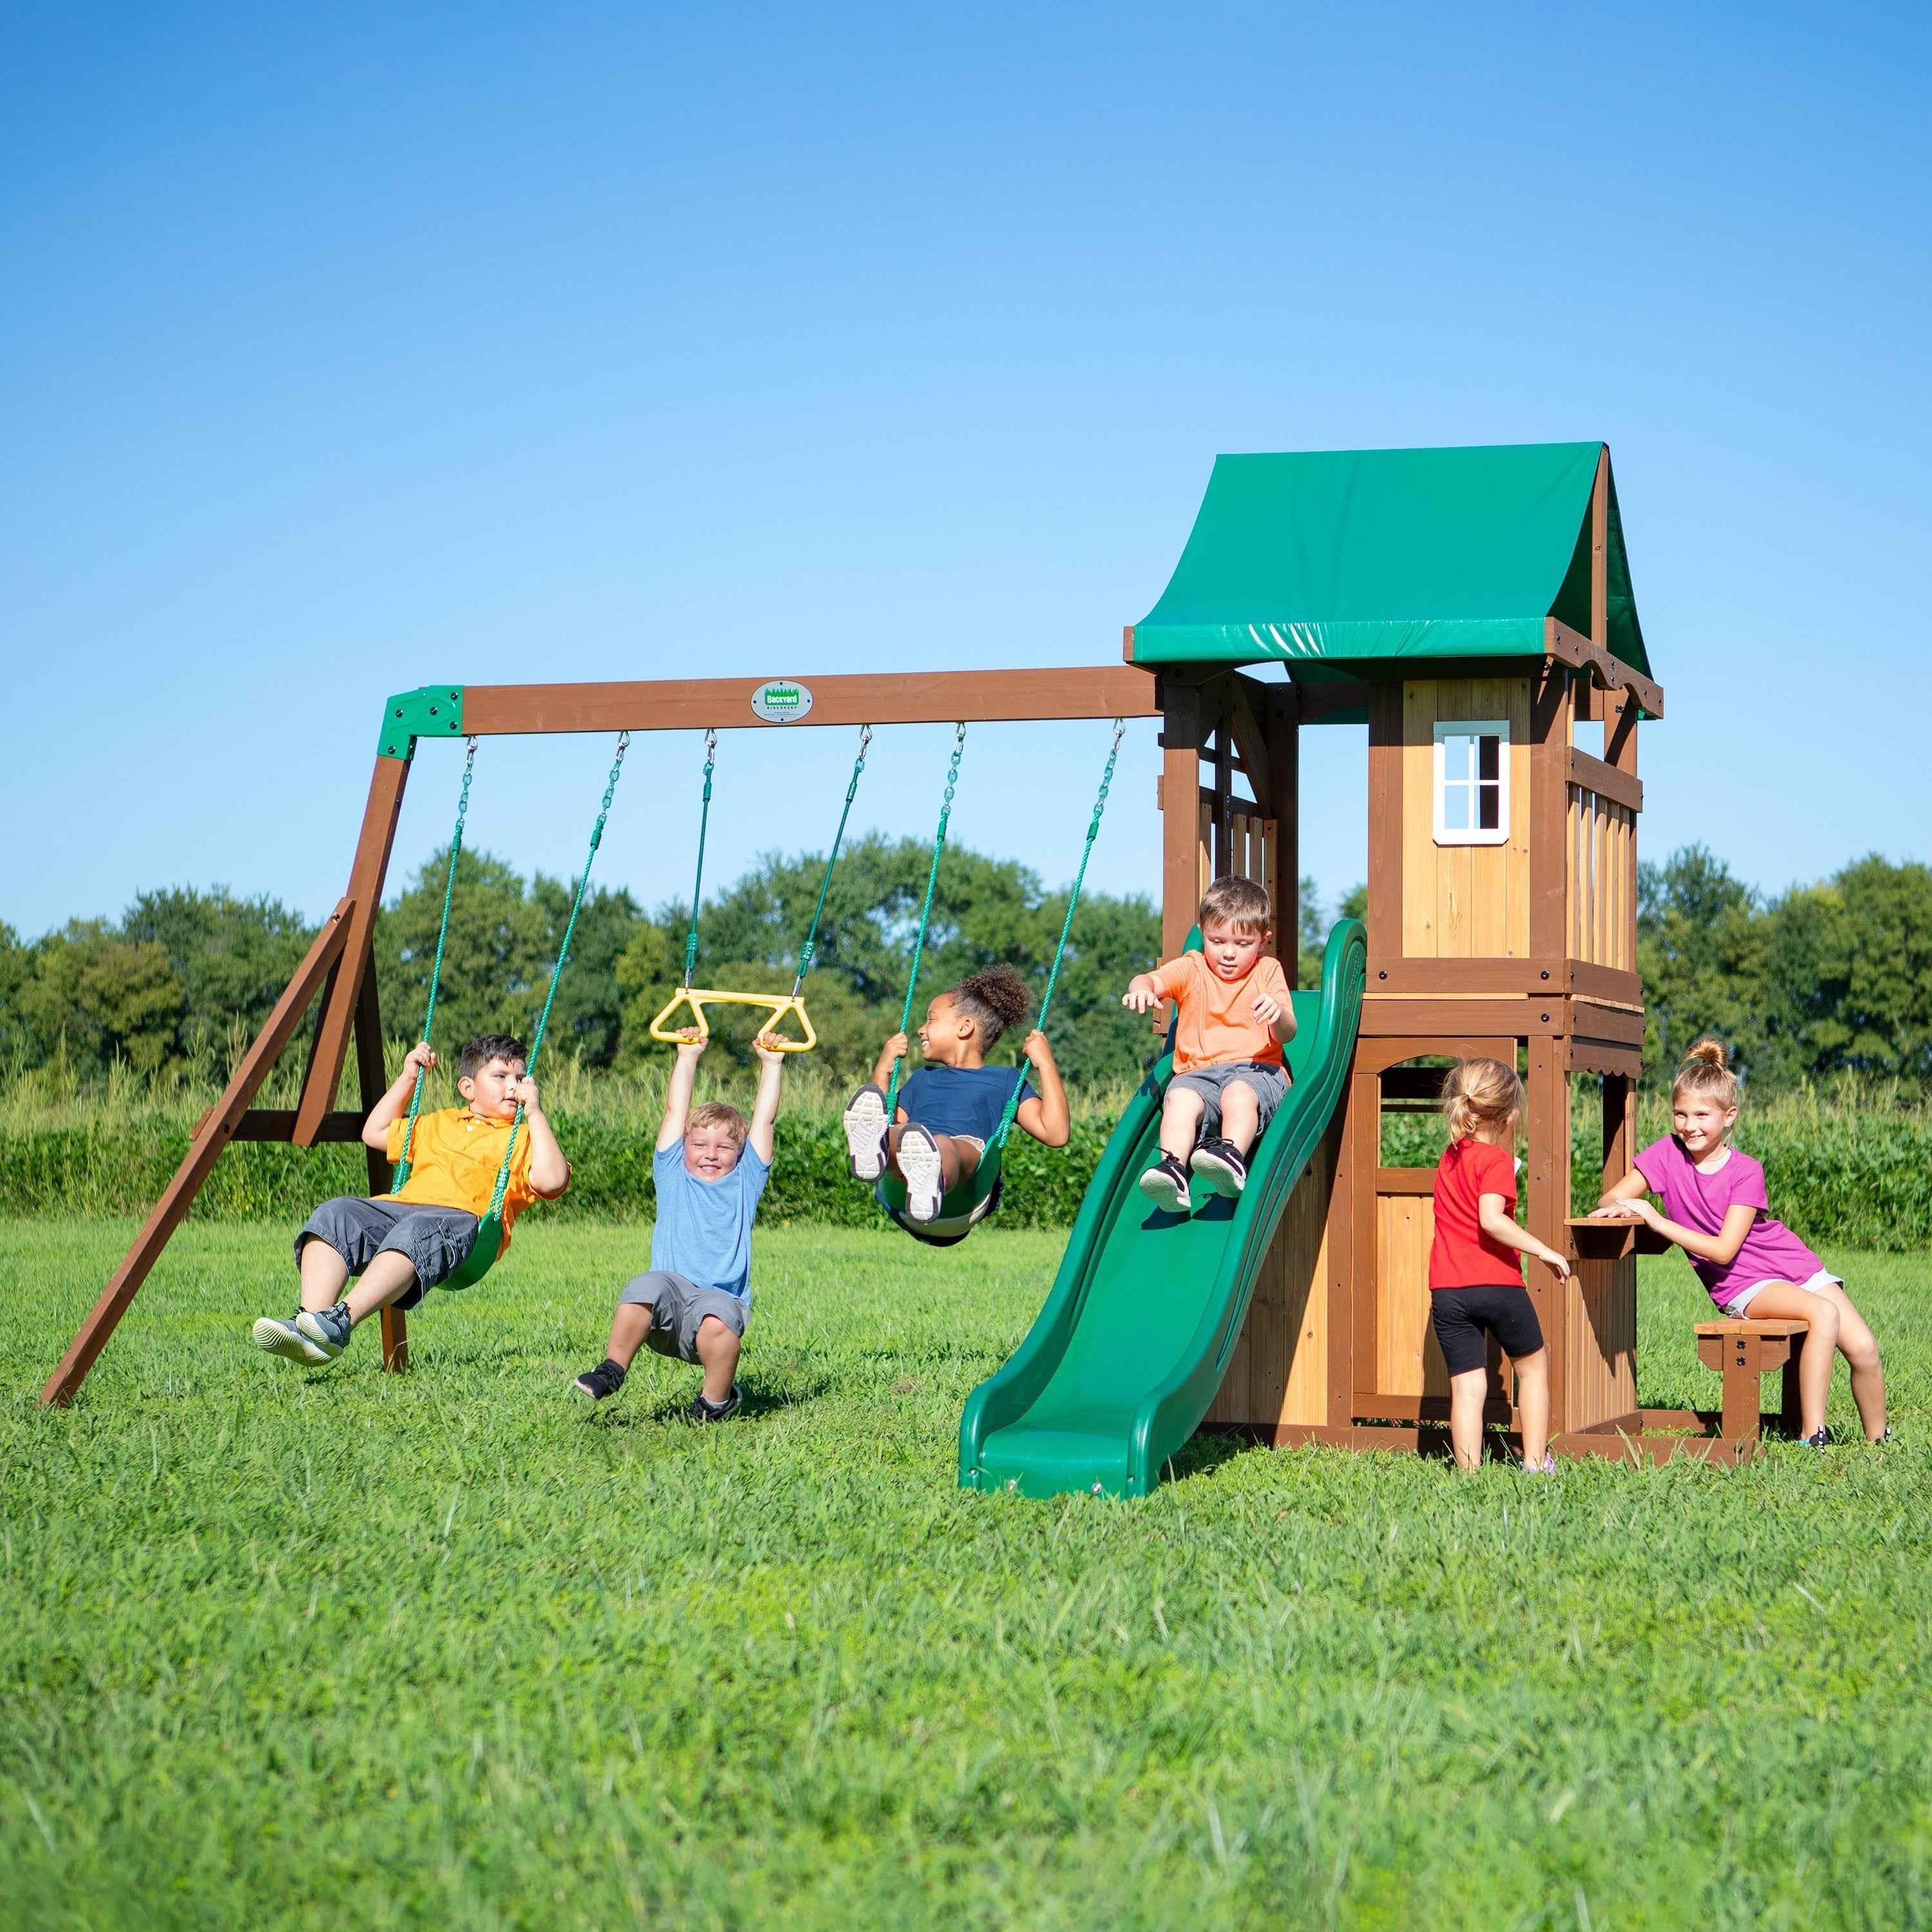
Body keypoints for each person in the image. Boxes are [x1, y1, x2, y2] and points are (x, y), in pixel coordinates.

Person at [1591, 1038, 1887, 1448]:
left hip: (1789, 1263)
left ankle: (1878, 1443)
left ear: (1729, 1117)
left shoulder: (1747, 1170)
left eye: (1701, 1115)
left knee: (1865, 1348)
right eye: (1680, 1113)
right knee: (1823, 1314)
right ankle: (1812, 1434)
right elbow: (1610, 1198)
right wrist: (1626, 1208)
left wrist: (1657, 1219)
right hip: (1742, 1284)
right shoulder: (1666, 1155)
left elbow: (1723, 1247)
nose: (1689, 1125)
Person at [251, 1033, 569, 1367]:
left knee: (419, 1228)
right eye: (501, 1077)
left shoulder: (524, 1136)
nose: (513, 1087)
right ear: (468, 1088)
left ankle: (341, 1321)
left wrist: (535, 1114)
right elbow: (373, 1133)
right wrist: (408, 1079)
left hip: (465, 1222)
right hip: (402, 1207)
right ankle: (310, 1328)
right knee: (336, 1213)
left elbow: (552, 1180)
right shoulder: (440, 1122)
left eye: (520, 1078)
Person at [573, 1031, 786, 1421]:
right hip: (666, 1307)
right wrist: (687, 1057)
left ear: (739, 1154)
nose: (711, 1154)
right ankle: (612, 1369)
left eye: (724, 1148)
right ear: (683, 1147)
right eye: (700, 1144)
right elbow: (675, 1111)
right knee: (644, 1285)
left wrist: (771, 1064)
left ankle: (714, 1403)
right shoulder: (671, 1172)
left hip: (717, 1302)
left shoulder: (746, 1180)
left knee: (719, 1321)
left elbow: (765, 1119)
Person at [840, 963, 1069, 1230]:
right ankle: (877, 1150)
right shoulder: (922, 1078)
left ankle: (932, 1176)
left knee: (944, 1144)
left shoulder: (1005, 1080)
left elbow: (1056, 1133)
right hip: (902, 1189)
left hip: (964, 1191)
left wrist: (1046, 1064)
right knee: (895, 1133)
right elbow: (887, 1117)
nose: (920, 1030)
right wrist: (883, 1067)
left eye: (931, 1019)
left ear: (965, 1028)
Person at [1428, 1057, 1571, 1473]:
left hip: (1448, 1290)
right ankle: (1534, 1463)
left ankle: (1469, 1475)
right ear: (1511, 1115)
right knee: (1533, 1368)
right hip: (1497, 1285)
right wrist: (1544, 1251)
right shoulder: (1495, 1162)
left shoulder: (1450, 1157)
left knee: (1468, 1386)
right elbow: (1491, 1220)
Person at [1119, 876, 1294, 1213]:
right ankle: (1173, 1169)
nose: (1228, 953)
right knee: (1180, 1097)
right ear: (1203, 933)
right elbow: (1151, 979)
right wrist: (1141, 988)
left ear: (1263, 941)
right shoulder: (1193, 967)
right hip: (1198, 1076)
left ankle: (1231, 1157)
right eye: (1217, 941)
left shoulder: (1268, 970)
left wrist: (1277, 1015)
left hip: (1256, 1072)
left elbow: (1287, 1033)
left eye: (1243, 944)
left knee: (1238, 1093)